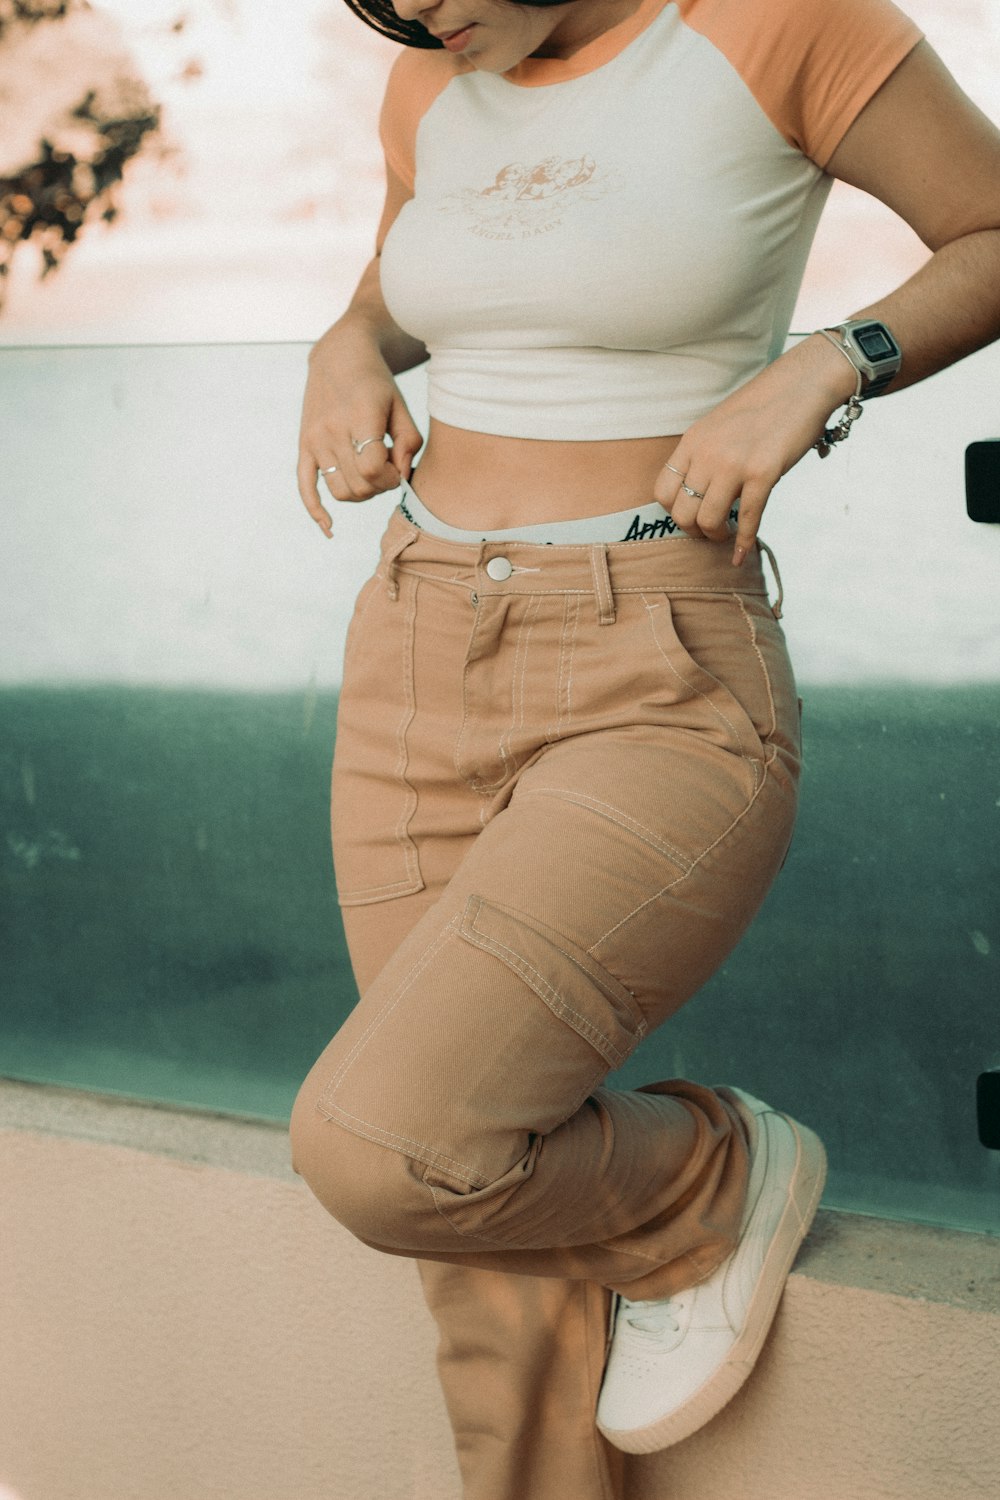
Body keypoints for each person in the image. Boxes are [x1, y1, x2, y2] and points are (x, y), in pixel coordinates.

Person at [289, 0, 1000, 1495]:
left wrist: (821, 370)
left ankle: (714, 1175)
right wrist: (344, 349)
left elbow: (993, 232)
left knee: (393, 1148)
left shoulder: (787, 25)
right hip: (417, 637)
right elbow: (416, 287)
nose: (413, 11)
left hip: (655, 658)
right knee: (482, 1271)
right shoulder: (433, 77)